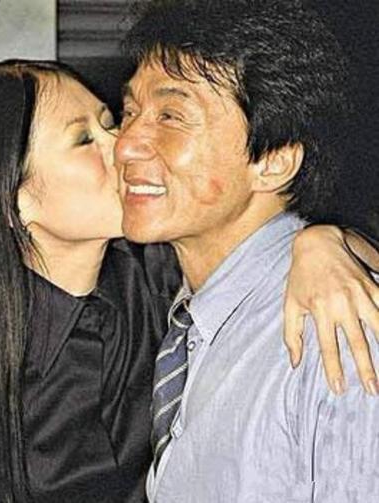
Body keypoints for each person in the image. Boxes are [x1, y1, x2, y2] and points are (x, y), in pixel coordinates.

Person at [0, 57, 377, 503]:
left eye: (109, 122)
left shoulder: (160, 276)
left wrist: (325, 242)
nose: (122, 147)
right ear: (14, 200)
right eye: (84, 140)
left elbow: (251, 239)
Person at [115, 1, 379, 501]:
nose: (125, 144)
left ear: (274, 162)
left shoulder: (336, 333)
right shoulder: (189, 312)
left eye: (171, 116)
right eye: (129, 112)